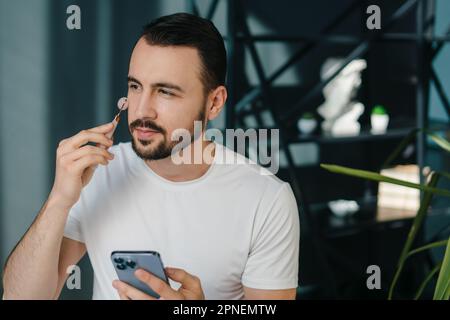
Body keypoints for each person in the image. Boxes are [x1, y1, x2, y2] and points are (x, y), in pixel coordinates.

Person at [2, 12, 299, 300]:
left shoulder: (266, 199)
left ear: (215, 102)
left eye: (165, 92)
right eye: (135, 86)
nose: (142, 110)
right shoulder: (98, 173)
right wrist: (59, 200)